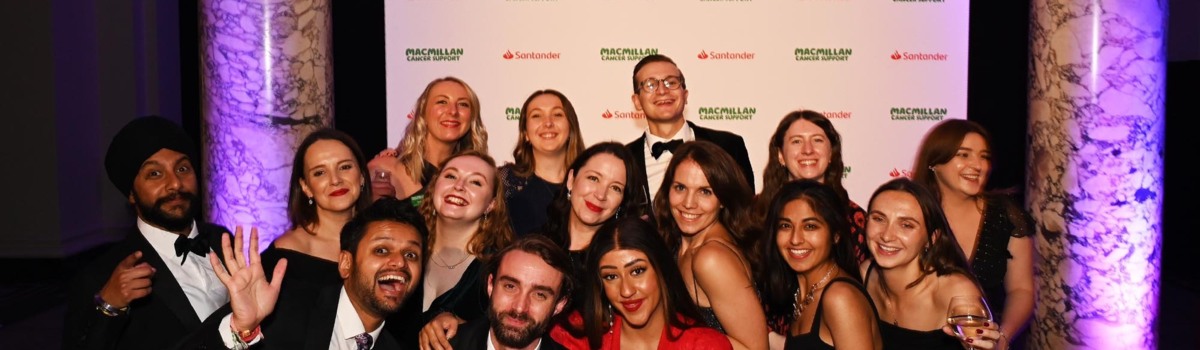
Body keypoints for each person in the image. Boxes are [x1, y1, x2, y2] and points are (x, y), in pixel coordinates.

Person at [65, 115, 231, 350]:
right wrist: (109, 307)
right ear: (131, 193)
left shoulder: (222, 240)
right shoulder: (101, 275)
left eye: (182, 168)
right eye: (155, 174)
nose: (175, 184)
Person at [179, 196, 427, 349]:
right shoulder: (282, 310)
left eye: (411, 255)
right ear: (345, 264)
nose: (399, 263)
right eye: (382, 250)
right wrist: (238, 329)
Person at [911, 119, 1034, 348]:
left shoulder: (1006, 215)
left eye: (984, 156)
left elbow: (1022, 290)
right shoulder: (912, 213)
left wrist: (1002, 338)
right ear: (935, 162)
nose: (978, 165)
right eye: (964, 155)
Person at [860, 178, 1004, 349]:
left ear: (931, 239)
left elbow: (984, 344)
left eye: (906, 225)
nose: (887, 235)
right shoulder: (865, 274)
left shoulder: (956, 291)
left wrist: (990, 346)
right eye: (878, 219)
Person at [652, 141, 767, 350]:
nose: (688, 203)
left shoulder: (711, 259)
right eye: (680, 188)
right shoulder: (677, 243)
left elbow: (755, 348)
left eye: (705, 192)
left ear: (723, 199)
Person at [553, 217, 732, 349]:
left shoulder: (704, 345)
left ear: (661, 269)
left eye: (637, 271)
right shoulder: (576, 338)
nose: (626, 290)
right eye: (611, 276)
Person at [400, 150, 514, 346]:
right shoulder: (402, 249)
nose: (459, 186)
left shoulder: (499, 268)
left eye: (475, 182)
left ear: (491, 204)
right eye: (451, 176)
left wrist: (467, 328)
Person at [757, 180, 881, 350]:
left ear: (835, 235)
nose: (795, 239)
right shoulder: (801, 293)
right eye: (785, 226)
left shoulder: (840, 298)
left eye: (810, 226)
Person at [624, 54, 754, 203]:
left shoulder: (729, 146)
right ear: (637, 102)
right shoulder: (625, 161)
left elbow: (745, 213)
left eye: (671, 82)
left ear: (685, 96)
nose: (662, 91)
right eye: (650, 85)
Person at [260, 128, 373, 289]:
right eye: (320, 173)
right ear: (306, 187)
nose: (335, 180)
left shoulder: (386, 240)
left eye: (345, 167)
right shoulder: (284, 256)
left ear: (361, 175)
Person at [427, 235, 574, 350]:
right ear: (491, 285)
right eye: (510, 286)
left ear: (559, 304)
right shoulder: (444, 346)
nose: (519, 308)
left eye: (539, 295)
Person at [758, 110, 868, 261]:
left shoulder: (854, 218)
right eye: (796, 141)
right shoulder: (754, 212)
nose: (808, 150)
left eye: (817, 140)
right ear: (781, 155)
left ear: (831, 153)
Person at [369, 77, 490, 202]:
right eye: (442, 102)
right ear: (423, 112)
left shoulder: (479, 177)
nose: (453, 111)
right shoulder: (385, 170)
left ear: (472, 118)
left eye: (463, 104)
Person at [500, 89, 585, 236]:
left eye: (557, 114)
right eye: (536, 116)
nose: (548, 123)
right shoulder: (504, 182)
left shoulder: (590, 183)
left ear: (571, 127)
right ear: (525, 133)